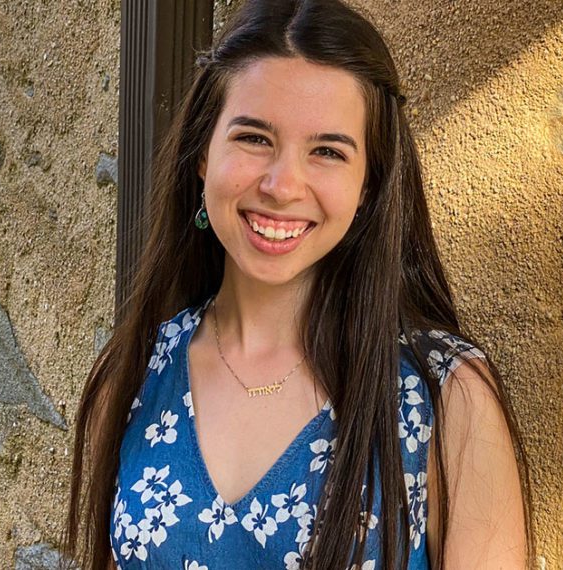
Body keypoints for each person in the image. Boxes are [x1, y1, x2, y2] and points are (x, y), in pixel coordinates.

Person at [62, 1, 532, 568]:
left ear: (368, 186)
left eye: (328, 152)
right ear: (202, 156)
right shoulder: (136, 370)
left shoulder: (445, 399)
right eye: (254, 138)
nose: (283, 185)